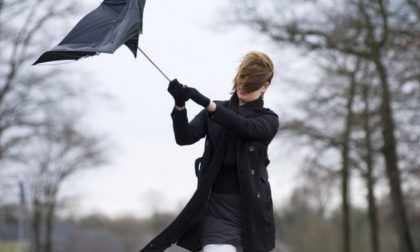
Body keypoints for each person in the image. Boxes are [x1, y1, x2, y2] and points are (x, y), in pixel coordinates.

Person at [140, 51, 279, 252]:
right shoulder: (214, 111)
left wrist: (208, 104)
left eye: (251, 84)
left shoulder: (268, 120)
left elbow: (244, 127)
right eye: (242, 78)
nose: (242, 86)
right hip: (217, 211)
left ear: (265, 86)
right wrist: (180, 105)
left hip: (252, 216)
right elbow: (185, 137)